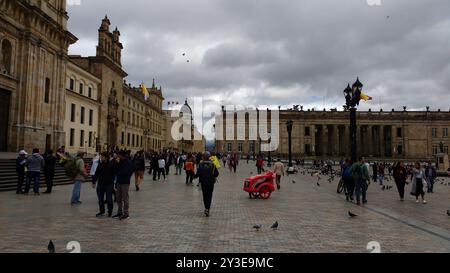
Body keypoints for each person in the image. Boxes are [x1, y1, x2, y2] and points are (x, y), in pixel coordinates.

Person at [194, 152, 219, 217]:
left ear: (203, 157)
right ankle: (208, 208)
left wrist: (194, 176)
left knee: (204, 196)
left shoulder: (201, 164)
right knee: (209, 195)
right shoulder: (213, 165)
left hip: (203, 183)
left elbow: (198, 174)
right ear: (209, 157)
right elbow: (216, 174)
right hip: (211, 183)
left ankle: (206, 208)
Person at [92, 152, 115, 217]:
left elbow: (114, 174)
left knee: (109, 198)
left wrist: (112, 182)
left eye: (102, 157)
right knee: (100, 199)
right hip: (100, 184)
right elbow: (96, 173)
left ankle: (110, 211)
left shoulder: (111, 165)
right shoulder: (100, 165)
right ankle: (102, 211)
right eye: (100, 157)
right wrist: (94, 181)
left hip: (109, 184)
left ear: (106, 157)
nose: (101, 158)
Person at [113, 151, 134, 220]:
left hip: (125, 182)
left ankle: (126, 213)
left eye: (118, 155)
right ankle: (119, 212)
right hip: (119, 181)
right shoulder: (119, 162)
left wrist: (118, 173)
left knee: (125, 198)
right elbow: (115, 170)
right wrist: (116, 163)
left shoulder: (128, 162)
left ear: (122, 155)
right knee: (118, 198)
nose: (117, 156)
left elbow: (126, 171)